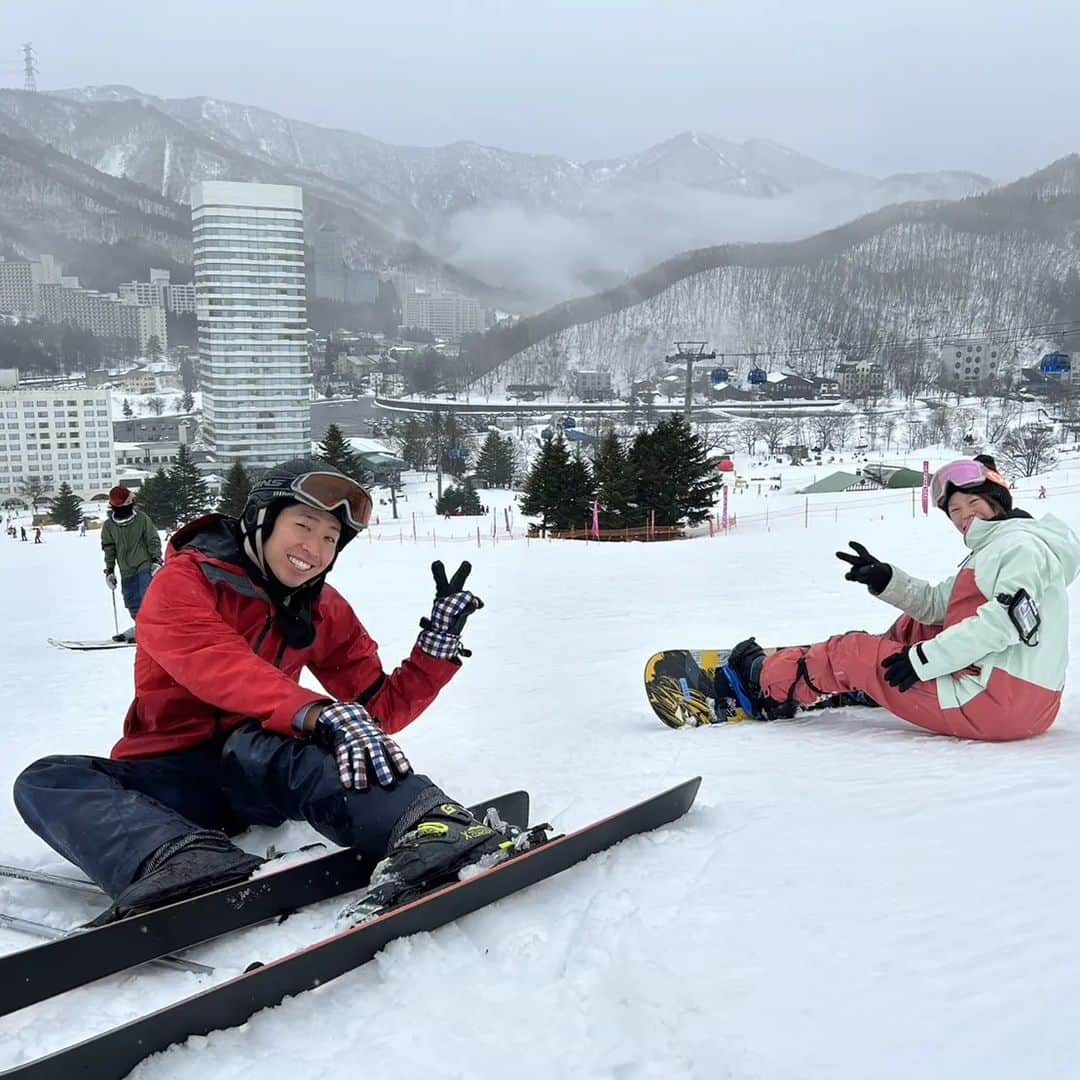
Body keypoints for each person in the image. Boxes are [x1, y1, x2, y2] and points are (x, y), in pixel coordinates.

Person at [13, 458, 523, 922]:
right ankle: (181, 858)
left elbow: (373, 711)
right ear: (261, 519)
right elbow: (214, 660)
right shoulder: (183, 582)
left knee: (294, 741)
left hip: (260, 769)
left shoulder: (321, 607)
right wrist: (315, 712)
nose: (314, 549)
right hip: (171, 778)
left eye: (330, 538)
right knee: (47, 780)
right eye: (303, 526)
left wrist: (433, 653)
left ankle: (429, 826)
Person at [720, 455, 1080, 742]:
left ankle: (769, 687)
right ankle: (870, 684)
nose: (965, 516)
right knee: (918, 625)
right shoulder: (1002, 545)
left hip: (990, 703)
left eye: (974, 503)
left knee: (853, 650)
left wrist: (923, 661)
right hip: (1027, 703)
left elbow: (1005, 621)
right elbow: (939, 605)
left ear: (997, 501)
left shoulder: (1019, 546)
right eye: (955, 510)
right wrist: (884, 578)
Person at [101, 486, 163, 642]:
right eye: (129, 501)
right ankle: (141, 627)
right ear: (118, 504)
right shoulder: (109, 526)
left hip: (145, 564)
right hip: (125, 569)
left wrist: (156, 560)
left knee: (146, 597)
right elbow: (109, 548)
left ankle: (151, 630)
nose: (132, 502)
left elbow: (152, 539)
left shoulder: (141, 519)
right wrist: (109, 570)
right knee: (131, 601)